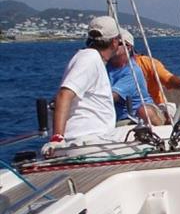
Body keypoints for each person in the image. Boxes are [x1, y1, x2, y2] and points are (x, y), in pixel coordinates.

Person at [44, 16, 122, 156]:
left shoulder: (92, 58)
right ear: (114, 42)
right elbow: (64, 94)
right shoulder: (89, 59)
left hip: (96, 139)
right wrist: (57, 138)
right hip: (86, 143)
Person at [107, 29, 166, 126]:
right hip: (112, 116)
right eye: (110, 43)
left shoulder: (132, 72)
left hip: (134, 115)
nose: (113, 46)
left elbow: (111, 97)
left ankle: (161, 133)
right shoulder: (104, 67)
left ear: (128, 47)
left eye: (119, 43)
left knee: (145, 111)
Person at [129, 37, 180, 106]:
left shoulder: (147, 63)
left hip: (154, 108)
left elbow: (168, 79)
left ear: (129, 47)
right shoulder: (118, 68)